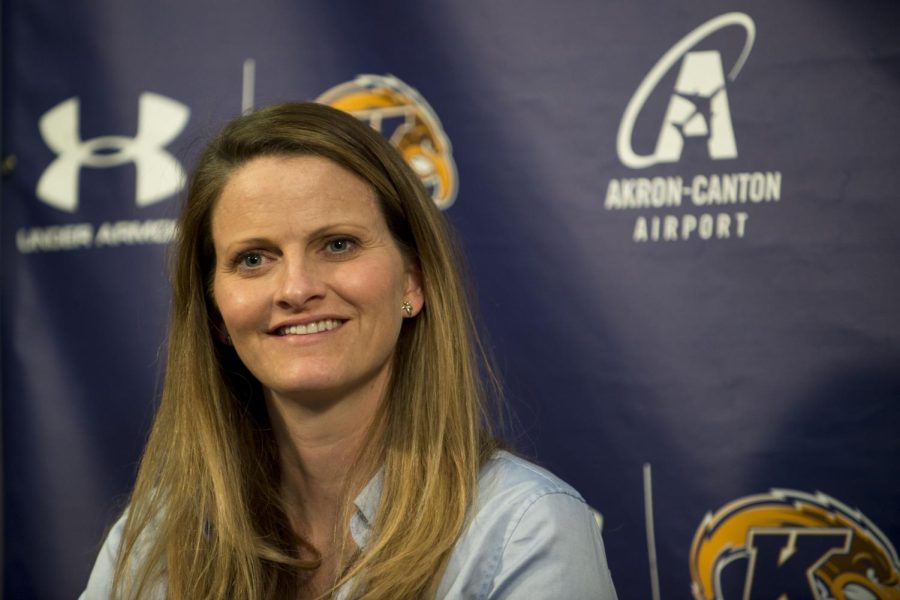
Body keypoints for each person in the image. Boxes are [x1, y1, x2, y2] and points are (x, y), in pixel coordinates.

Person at [81, 102, 617, 599]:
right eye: (252, 259)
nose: (295, 288)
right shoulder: (154, 539)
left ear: (412, 281)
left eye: (338, 245)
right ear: (216, 310)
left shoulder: (523, 529)